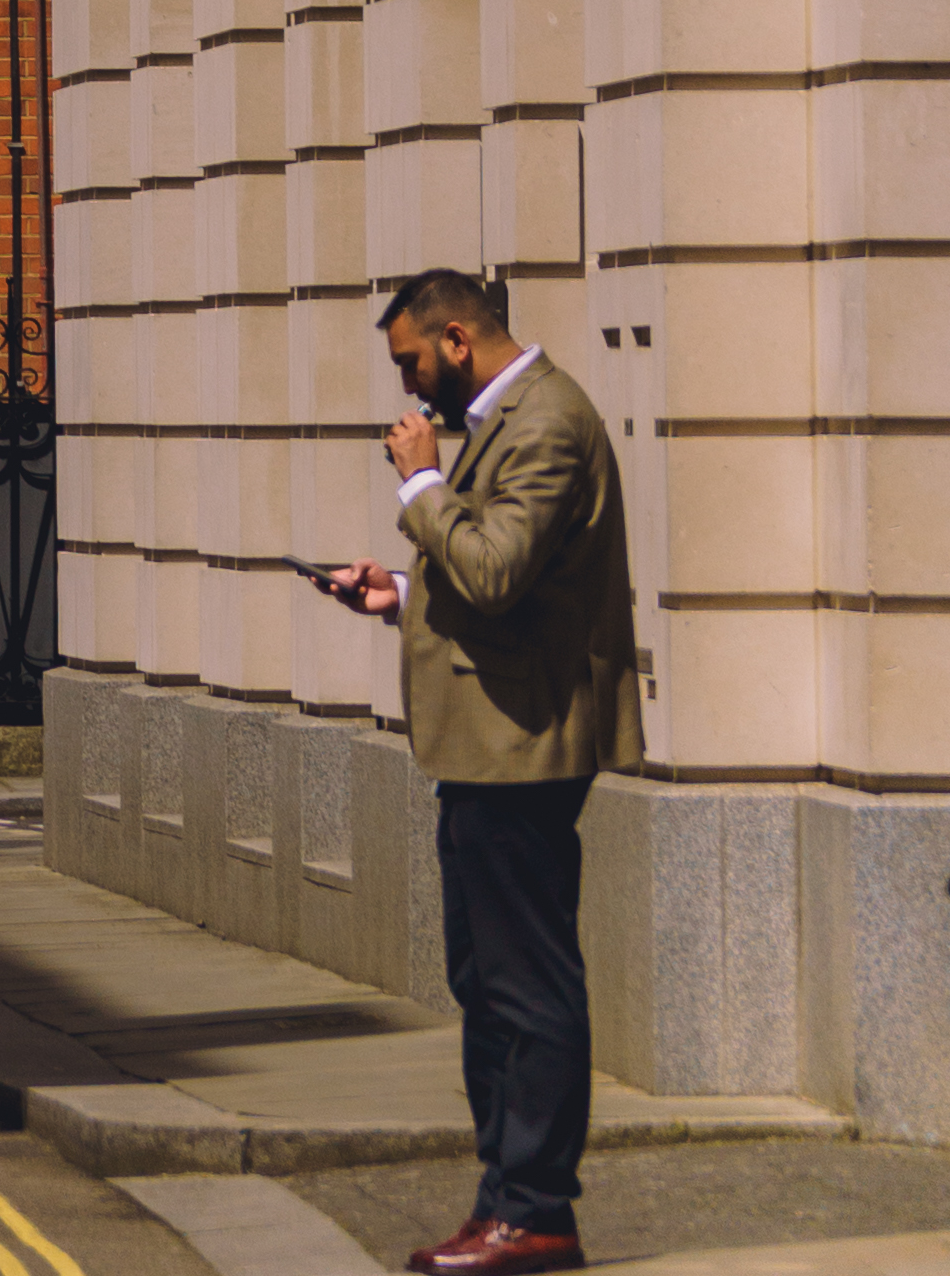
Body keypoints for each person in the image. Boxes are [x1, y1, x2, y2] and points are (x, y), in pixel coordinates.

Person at [324, 266, 643, 1276]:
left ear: (456, 340)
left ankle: (534, 1211)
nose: (411, 393)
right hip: (487, 744)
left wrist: (419, 484)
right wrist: (404, 590)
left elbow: (498, 569)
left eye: (412, 363)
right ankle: (503, 1200)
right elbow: (502, 576)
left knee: (526, 985)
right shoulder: (511, 423)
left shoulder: (546, 422)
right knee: (484, 978)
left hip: (524, 745)